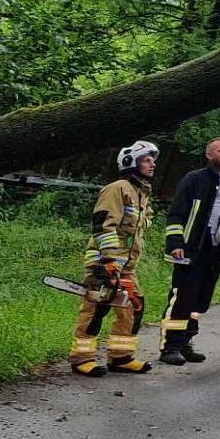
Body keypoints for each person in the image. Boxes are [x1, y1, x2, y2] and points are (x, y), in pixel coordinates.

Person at [67, 141, 158, 377]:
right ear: (132, 162)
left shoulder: (142, 193)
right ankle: (82, 358)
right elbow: (103, 225)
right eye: (147, 160)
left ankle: (121, 357)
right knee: (96, 309)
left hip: (126, 266)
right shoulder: (117, 188)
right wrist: (108, 261)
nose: (153, 164)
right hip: (104, 262)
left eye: (152, 160)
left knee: (134, 306)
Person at [159, 137, 220, 366]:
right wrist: (176, 244)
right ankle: (170, 347)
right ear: (209, 155)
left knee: (201, 300)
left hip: (216, 250)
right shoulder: (194, 179)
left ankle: (185, 342)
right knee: (182, 296)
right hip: (192, 249)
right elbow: (177, 213)